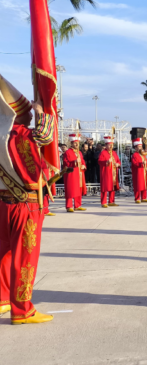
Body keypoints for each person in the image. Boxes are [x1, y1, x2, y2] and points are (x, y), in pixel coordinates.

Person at [0, 75, 56, 324]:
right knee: (25, 258)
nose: (30, 117)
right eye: (26, 112)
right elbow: (45, 136)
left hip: (3, 202)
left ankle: (2, 299)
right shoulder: (19, 134)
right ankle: (22, 310)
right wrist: (44, 111)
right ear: (15, 114)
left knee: (5, 253)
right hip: (25, 205)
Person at [62, 133, 87, 212]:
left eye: (78, 143)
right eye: (75, 143)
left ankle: (78, 205)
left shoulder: (79, 152)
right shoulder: (67, 152)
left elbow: (82, 161)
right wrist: (74, 162)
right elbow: (66, 163)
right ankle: (69, 206)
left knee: (78, 188)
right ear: (71, 143)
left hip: (79, 173)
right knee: (70, 189)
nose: (76, 144)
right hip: (71, 174)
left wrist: (83, 165)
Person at [98, 136, 121, 207]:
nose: (111, 146)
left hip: (114, 172)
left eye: (112, 144)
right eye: (109, 144)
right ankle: (103, 202)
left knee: (112, 187)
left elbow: (118, 161)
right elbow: (99, 161)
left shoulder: (114, 153)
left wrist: (118, 164)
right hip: (106, 173)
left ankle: (111, 201)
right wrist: (107, 161)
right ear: (106, 145)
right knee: (105, 188)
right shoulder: (103, 153)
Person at [131, 138, 147, 203]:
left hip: (144, 171)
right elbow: (134, 163)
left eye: (140, 146)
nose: (140, 148)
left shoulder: (143, 154)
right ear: (136, 148)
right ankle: (137, 198)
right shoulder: (134, 155)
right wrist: (141, 163)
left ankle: (144, 197)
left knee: (144, 184)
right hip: (138, 172)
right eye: (138, 147)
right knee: (138, 185)